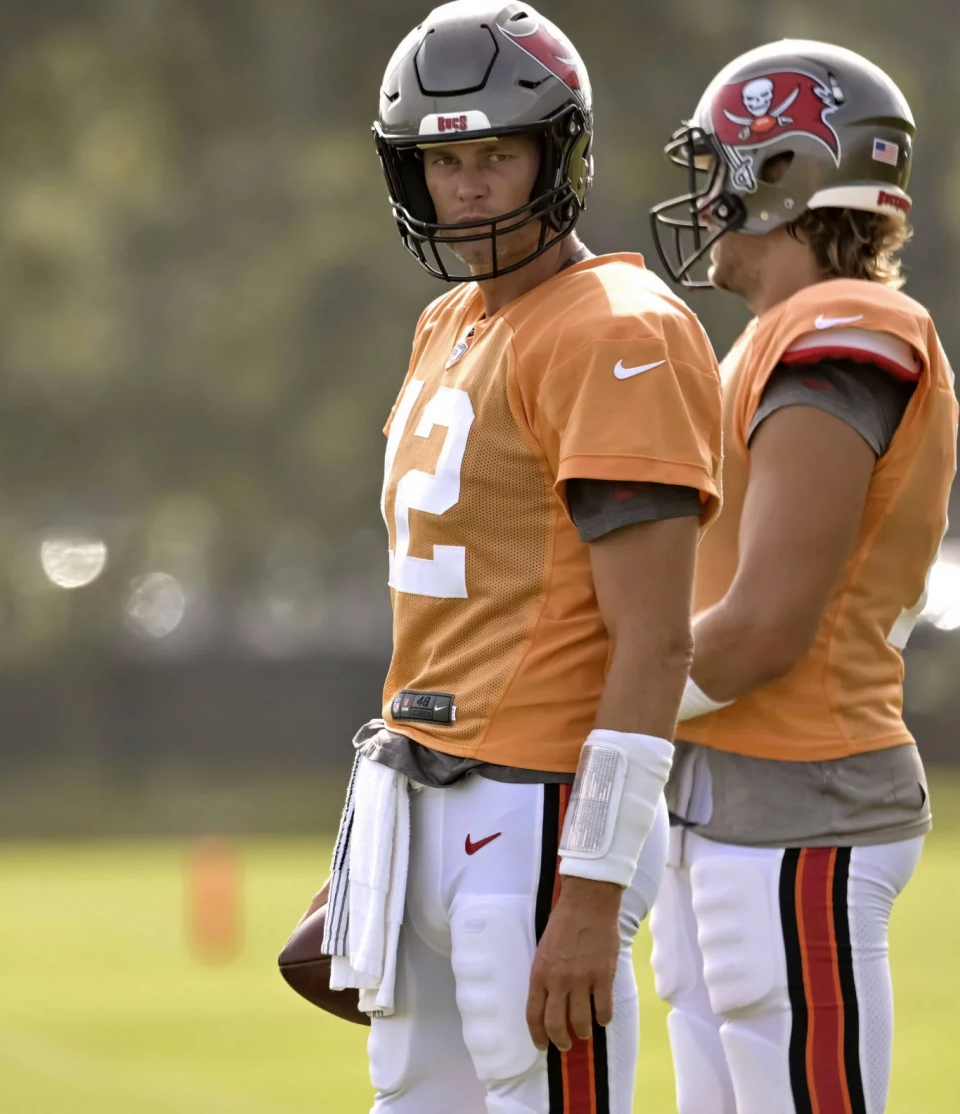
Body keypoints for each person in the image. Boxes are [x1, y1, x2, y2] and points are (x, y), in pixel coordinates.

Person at [319, 3, 723, 1111]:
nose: (472, 185)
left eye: (498, 151)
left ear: (563, 149)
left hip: (542, 808)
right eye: (446, 159)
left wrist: (592, 893)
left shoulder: (616, 327)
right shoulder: (447, 322)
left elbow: (655, 638)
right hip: (421, 793)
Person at [645, 40, 959, 1114]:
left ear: (781, 175)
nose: (699, 196)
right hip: (734, 800)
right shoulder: (772, 338)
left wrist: (609, 711)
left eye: (716, 165)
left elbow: (767, 624)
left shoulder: (845, 325)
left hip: (799, 797)